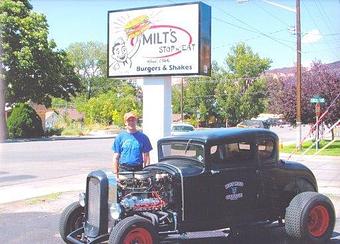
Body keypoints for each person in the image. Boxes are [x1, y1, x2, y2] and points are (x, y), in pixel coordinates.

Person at [112, 112, 152, 178]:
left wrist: (146, 172)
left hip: (139, 169)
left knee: (140, 188)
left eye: (133, 120)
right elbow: (116, 157)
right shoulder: (120, 137)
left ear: (136, 121)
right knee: (124, 188)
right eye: (129, 120)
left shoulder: (144, 137)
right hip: (124, 169)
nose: (131, 122)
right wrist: (116, 173)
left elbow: (146, 157)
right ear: (125, 122)